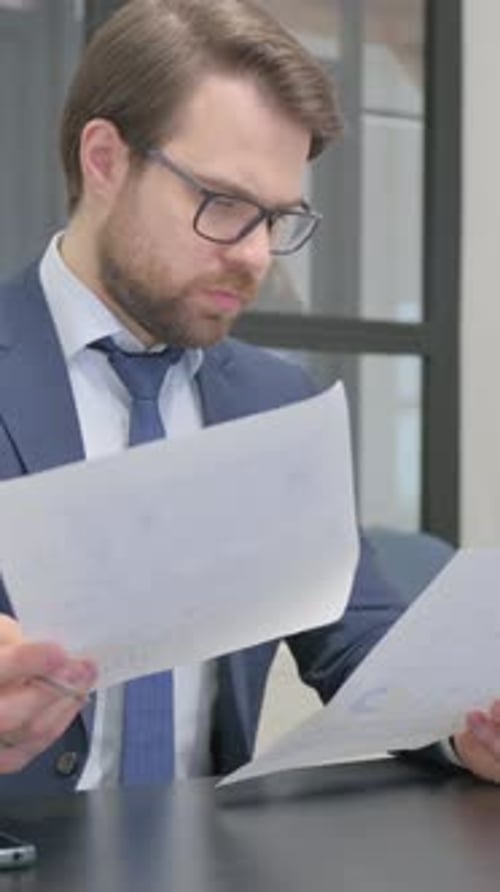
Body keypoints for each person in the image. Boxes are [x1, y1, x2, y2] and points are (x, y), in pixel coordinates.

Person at [0, 0, 498, 795]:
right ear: (104, 160)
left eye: (279, 218)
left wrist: (464, 725)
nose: (256, 256)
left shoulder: (275, 401)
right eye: (224, 204)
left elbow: (356, 640)